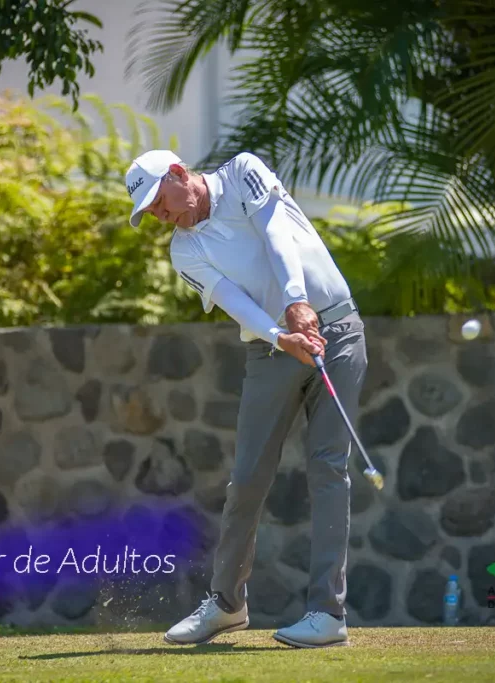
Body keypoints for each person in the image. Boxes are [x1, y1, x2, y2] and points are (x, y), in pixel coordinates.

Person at [125, 149, 368, 649]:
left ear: (178, 174)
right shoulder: (183, 251)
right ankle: (227, 605)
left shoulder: (243, 172)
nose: (160, 215)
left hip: (338, 331)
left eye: (159, 201)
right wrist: (281, 336)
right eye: (150, 212)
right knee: (248, 477)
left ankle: (328, 614)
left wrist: (297, 300)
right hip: (272, 349)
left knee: (329, 470)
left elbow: (277, 234)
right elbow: (236, 303)